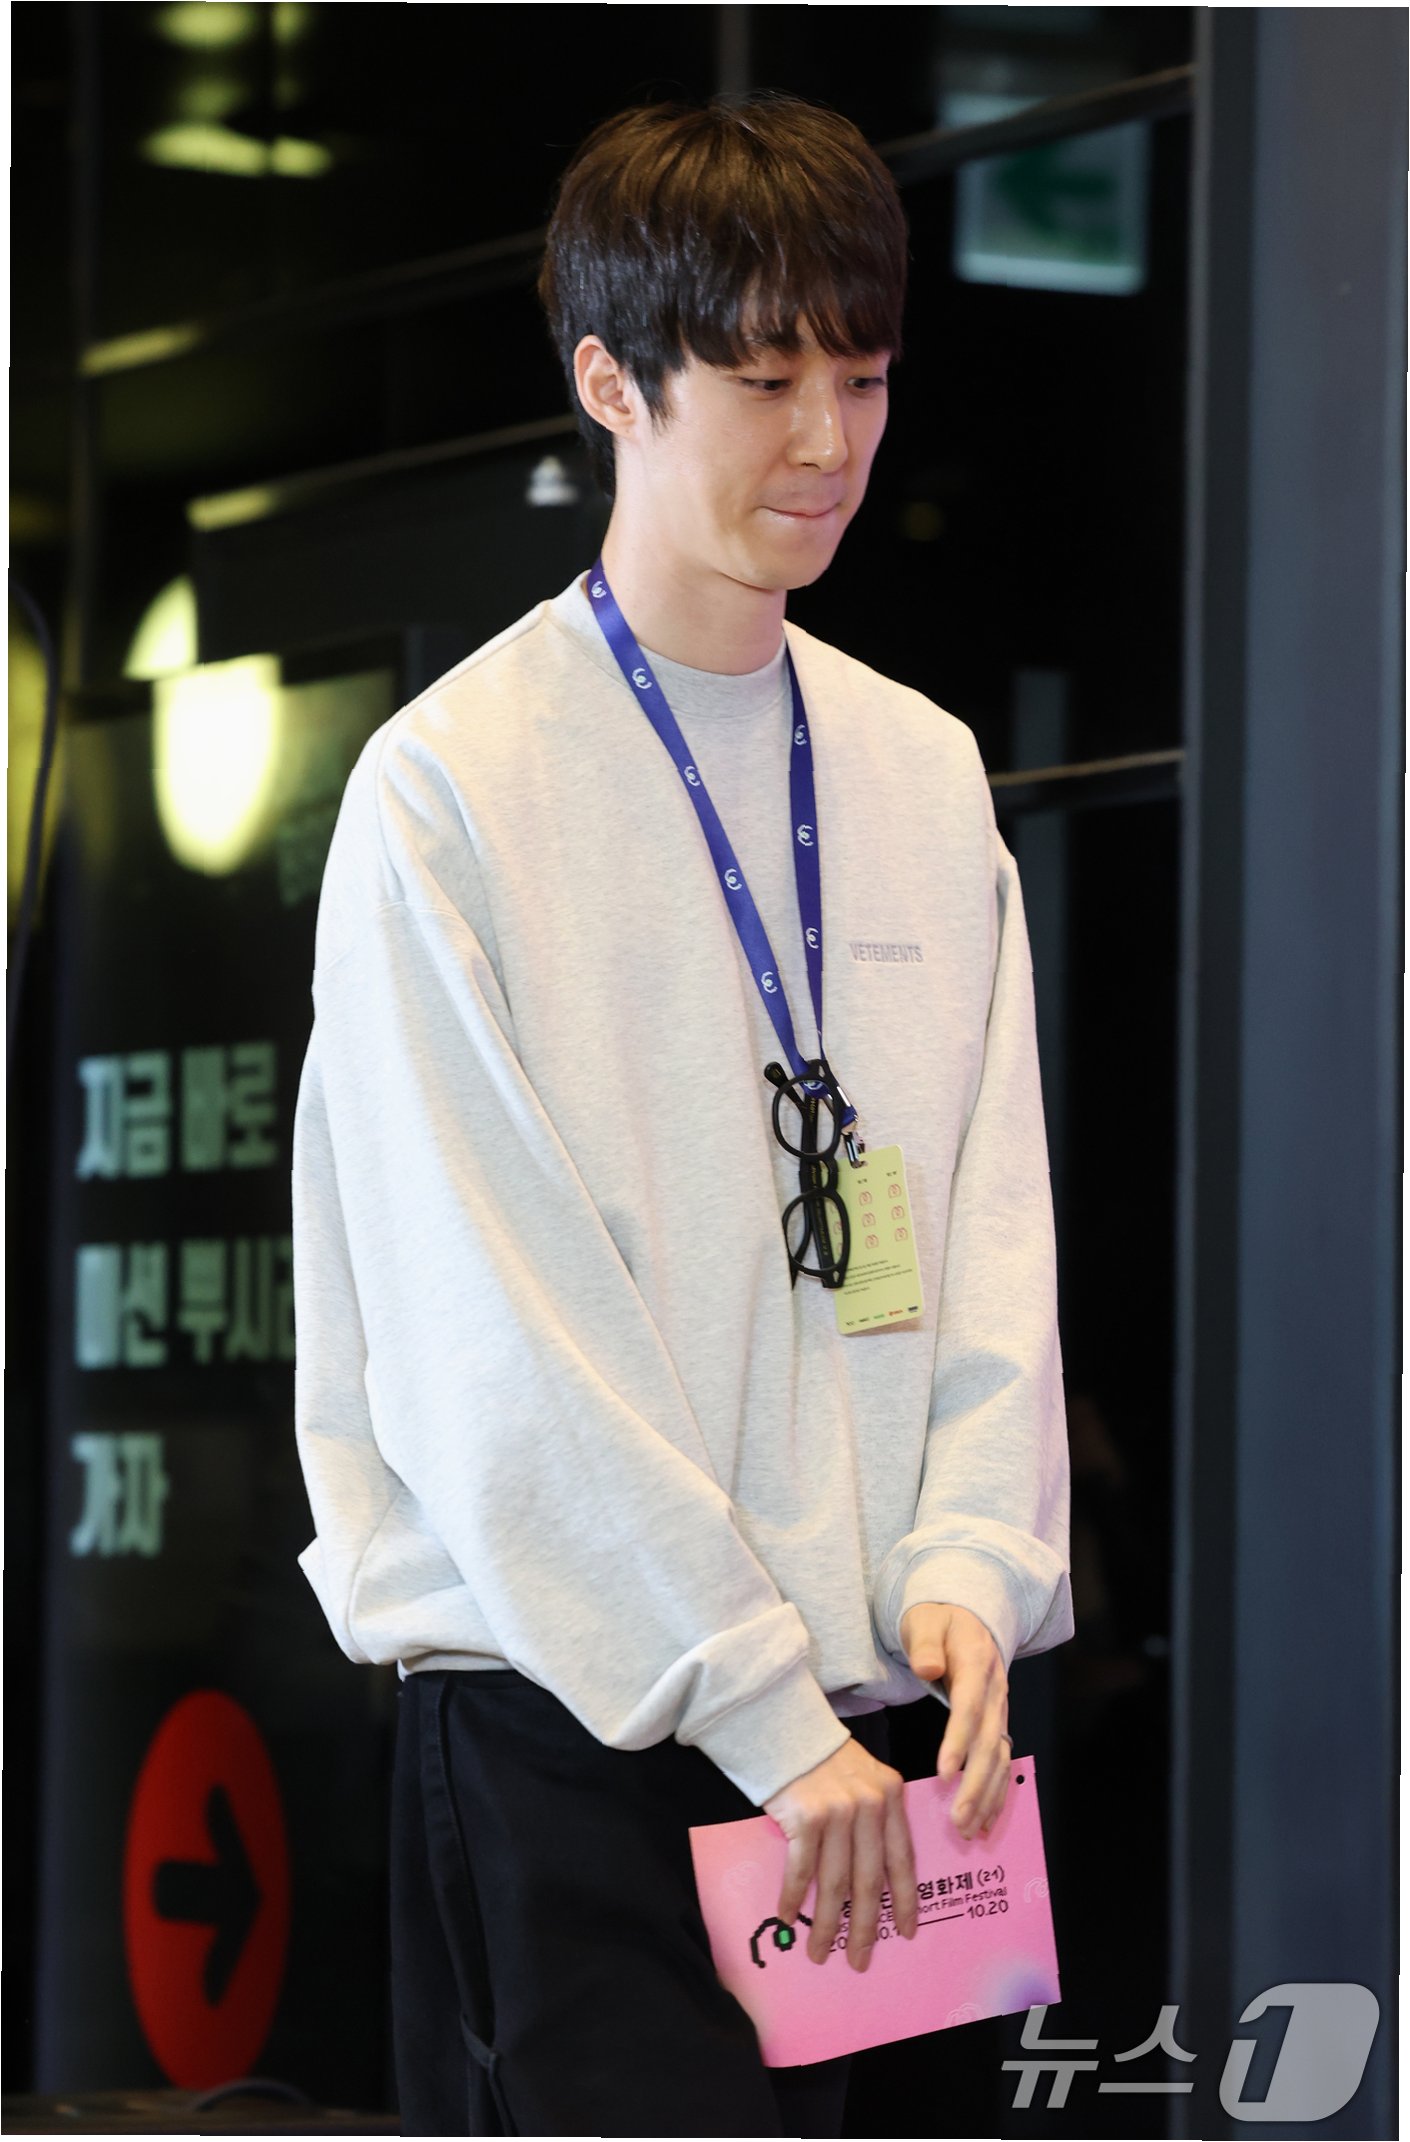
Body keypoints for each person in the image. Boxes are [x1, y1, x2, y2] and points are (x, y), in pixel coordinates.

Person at [291, 90, 1073, 2140]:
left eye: (865, 379)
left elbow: (992, 1217)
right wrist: (752, 1701)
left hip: (883, 1738)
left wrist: (974, 1561)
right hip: (579, 1722)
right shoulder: (452, 789)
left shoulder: (918, 771)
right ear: (608, 383)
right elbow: (487, 1340)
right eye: (765, 381)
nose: (827, 441)